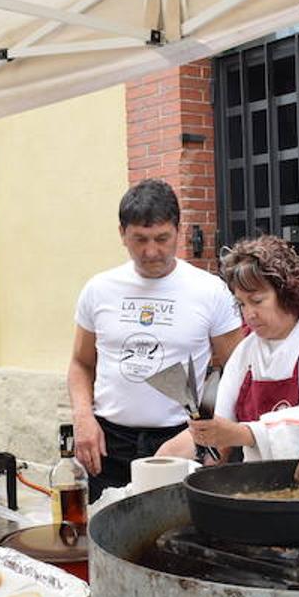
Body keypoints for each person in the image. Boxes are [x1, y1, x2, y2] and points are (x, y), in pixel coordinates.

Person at [69, 179, 243, 500]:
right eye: (140, 239)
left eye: (162, 238)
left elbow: (234, 370)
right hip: (109, 441)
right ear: (122, 234)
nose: (152, 251)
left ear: (178, 230)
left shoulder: (210, 290)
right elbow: (81, 363)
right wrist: (83, 418)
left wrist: (211, 438)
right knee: (106, 533)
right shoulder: (99, 289)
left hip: (181, 437)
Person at [157, 235, 299, 464]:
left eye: (257, 301)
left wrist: (242, 434)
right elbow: (220, 426)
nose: (249, 314)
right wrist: (169, 456)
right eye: (241, 304)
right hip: (275, 479)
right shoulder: (246, 352)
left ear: (288, 293)